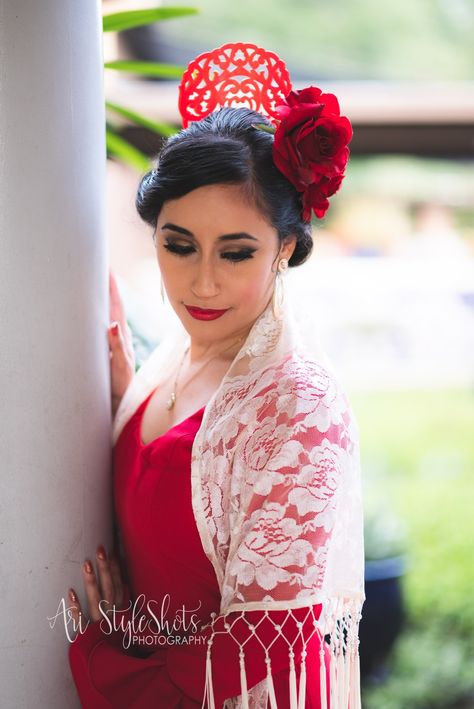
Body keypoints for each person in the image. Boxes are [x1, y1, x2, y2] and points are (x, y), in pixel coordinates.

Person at [67, 42, 365, 708]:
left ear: (285, 247)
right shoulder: (166, 364)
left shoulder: (299, 401)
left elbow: (266, 638)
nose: (202, 281)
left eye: (236, 252)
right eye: (179, 245)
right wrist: (116, 403)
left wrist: (109, 667)